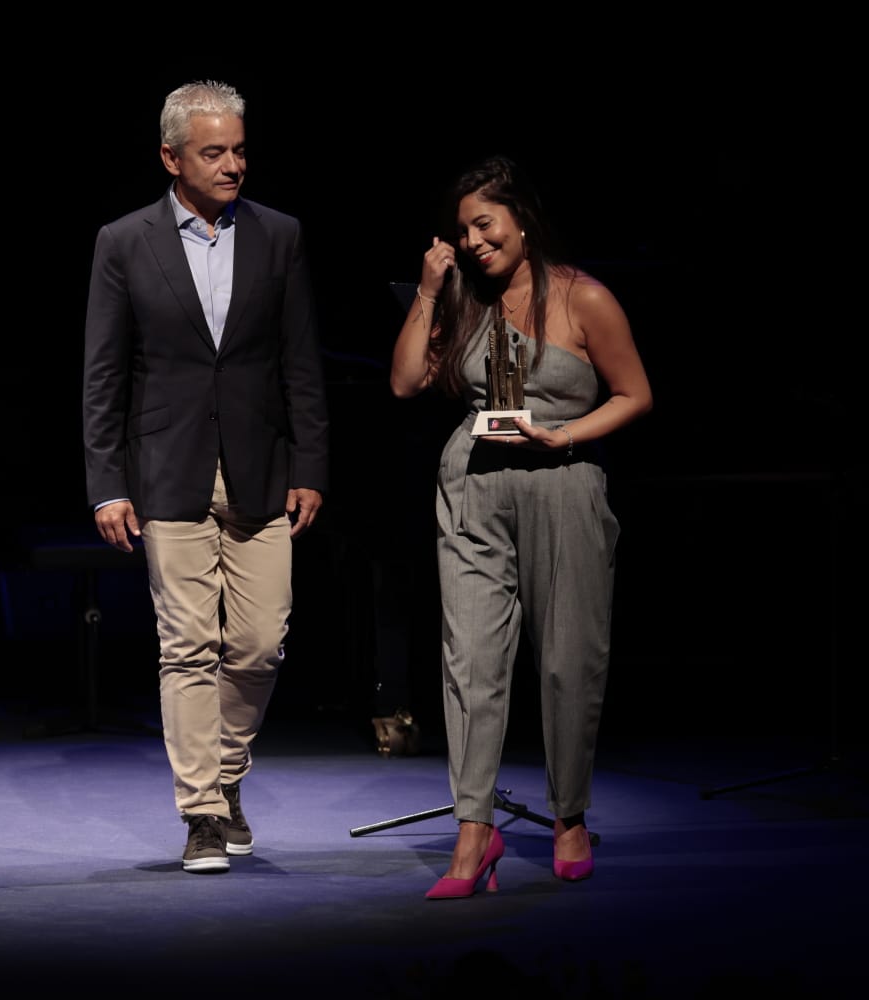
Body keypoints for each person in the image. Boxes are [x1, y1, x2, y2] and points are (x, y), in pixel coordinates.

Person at [389, 154, 652, 898]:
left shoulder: (584, 298)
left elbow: (635, 393)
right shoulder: (463, 296)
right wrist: (431, 292)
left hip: (564, 483)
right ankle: (475, 830)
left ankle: (569, 815)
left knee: (569, 657)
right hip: (474, 486)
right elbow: (406, 381)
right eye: (462, 229)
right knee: (471, 658)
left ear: (522, 220)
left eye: (485, 224)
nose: (472, 241)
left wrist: (566, 437)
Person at [82, 79, 329, 874]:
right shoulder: (124, 242)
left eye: (240, 150)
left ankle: (225, 779)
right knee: (186, 644)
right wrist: (107, 482)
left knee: (258, 644)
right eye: (214, 152)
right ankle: (201, 814)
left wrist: (313, 464)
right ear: (171, 156)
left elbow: (301, 363)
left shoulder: (279, 236)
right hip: (167, 467)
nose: (233, 166)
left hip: (262, 467)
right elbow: (104, 375)